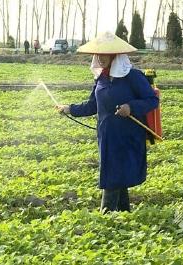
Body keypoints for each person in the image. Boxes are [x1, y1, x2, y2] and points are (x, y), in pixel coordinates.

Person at [55, 32, 159, 213]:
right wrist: (69, 109)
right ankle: (124, 213)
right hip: (107, 136)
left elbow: (152, 100)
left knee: (112, 176)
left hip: (127, 136)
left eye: (104, 55)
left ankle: (106, 216)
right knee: (119, 176)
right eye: (98, 55)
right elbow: (92, 105)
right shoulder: (101, 79)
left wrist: (130, 107)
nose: (100, 59)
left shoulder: (132, 76)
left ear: (115, 56)